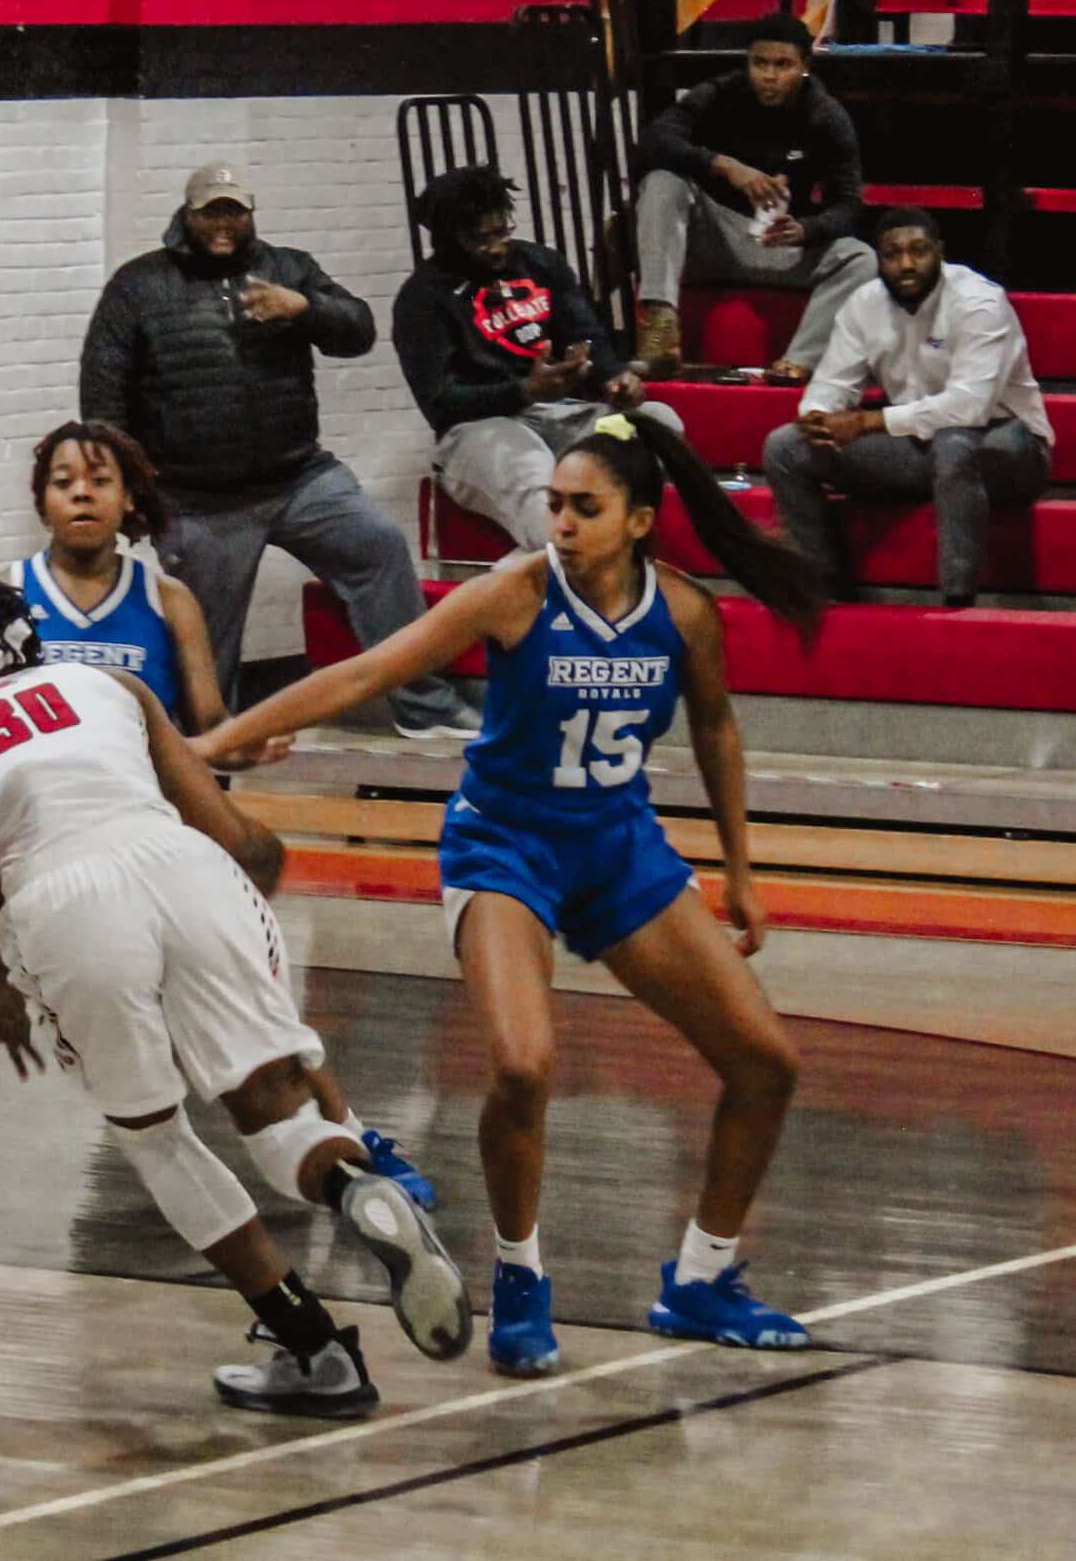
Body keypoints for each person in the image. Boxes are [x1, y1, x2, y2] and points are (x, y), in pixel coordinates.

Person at [195, 413, 828, 1377]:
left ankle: (702, 1280)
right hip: (505, 846)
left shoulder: (685, 613)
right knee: (524, 1066)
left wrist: (739, 869)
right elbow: (367, 669)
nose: (562, 524)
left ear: (640, 523)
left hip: (618, 849)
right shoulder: (514, 595)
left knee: (767, 1064)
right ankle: (520, 1275)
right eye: (554, 506)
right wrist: (214, 742)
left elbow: (718, 733)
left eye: (585, 509)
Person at [0, 571, 471, 1416]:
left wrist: (5, 986)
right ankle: (353, 1188)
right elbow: (232, 836)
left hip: (62, 899)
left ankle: (316, 1352)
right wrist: (245, 918)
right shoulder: (109, 684)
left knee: (158, 1139)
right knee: (276, 1111)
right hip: (183, 866)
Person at [0, 420, 439, 1220]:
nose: (83, 493)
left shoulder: (166, 597)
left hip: (151, 822)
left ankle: (350, 1129)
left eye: (100, 479)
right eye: (65, 481)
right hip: (30, 837)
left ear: (130, 499)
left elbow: (207, 717)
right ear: (41, 501)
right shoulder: (1, 599)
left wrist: (239, 750)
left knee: (256, 998)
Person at [82, 162, 477, 739]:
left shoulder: (288, 268)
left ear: (250, 214)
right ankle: (205, 753)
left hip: (300, 478)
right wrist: (127, 491)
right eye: (210, 211)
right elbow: (102, 396)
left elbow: (360, 330)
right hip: (197, 501)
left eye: (234, 211)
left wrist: (305, 308)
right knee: (205, 643)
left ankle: (425, 705)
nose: (223, 223)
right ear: (187, 215)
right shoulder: (139, 286)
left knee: (379, 547)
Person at [760, 207, 1052, 608]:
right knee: (786, 447)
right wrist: (816, 416)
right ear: (879, 259)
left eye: (918, 251)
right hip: (918, 448)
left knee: (954, 443)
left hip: (1008, 447)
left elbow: (968, 407)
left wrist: (867, 420)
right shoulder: (864, 304)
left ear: (939, 252)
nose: (907, 264)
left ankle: (958, 602)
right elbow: (832, 382)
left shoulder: (979, 301)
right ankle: (825, 592)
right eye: (893, 255)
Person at [394, 165, 682, 552]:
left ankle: (577, 555)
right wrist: (523, 391)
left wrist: (614, 377)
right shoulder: (423, 298)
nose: (497, 246)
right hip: (476, 431)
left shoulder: (539, 263)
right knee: (530, 469)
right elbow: (441, 403)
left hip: (559, 414)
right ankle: (574, 571)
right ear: (449, 238)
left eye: (502, 231)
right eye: (481, 238)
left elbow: (586, 333)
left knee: (660, 423)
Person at [632, 12, 874, 379]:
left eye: (783, 65)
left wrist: (807, 229)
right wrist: (726, 166)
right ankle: (661, 334)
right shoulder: (719, 93)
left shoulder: (825, 115)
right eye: (759, 63)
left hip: (781, 245)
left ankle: (799, 362)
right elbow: (653, 141)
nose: (770, 76)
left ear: (804, 67)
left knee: (861, 258)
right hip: (713, 240)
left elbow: (850, 205)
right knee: (662, 181)